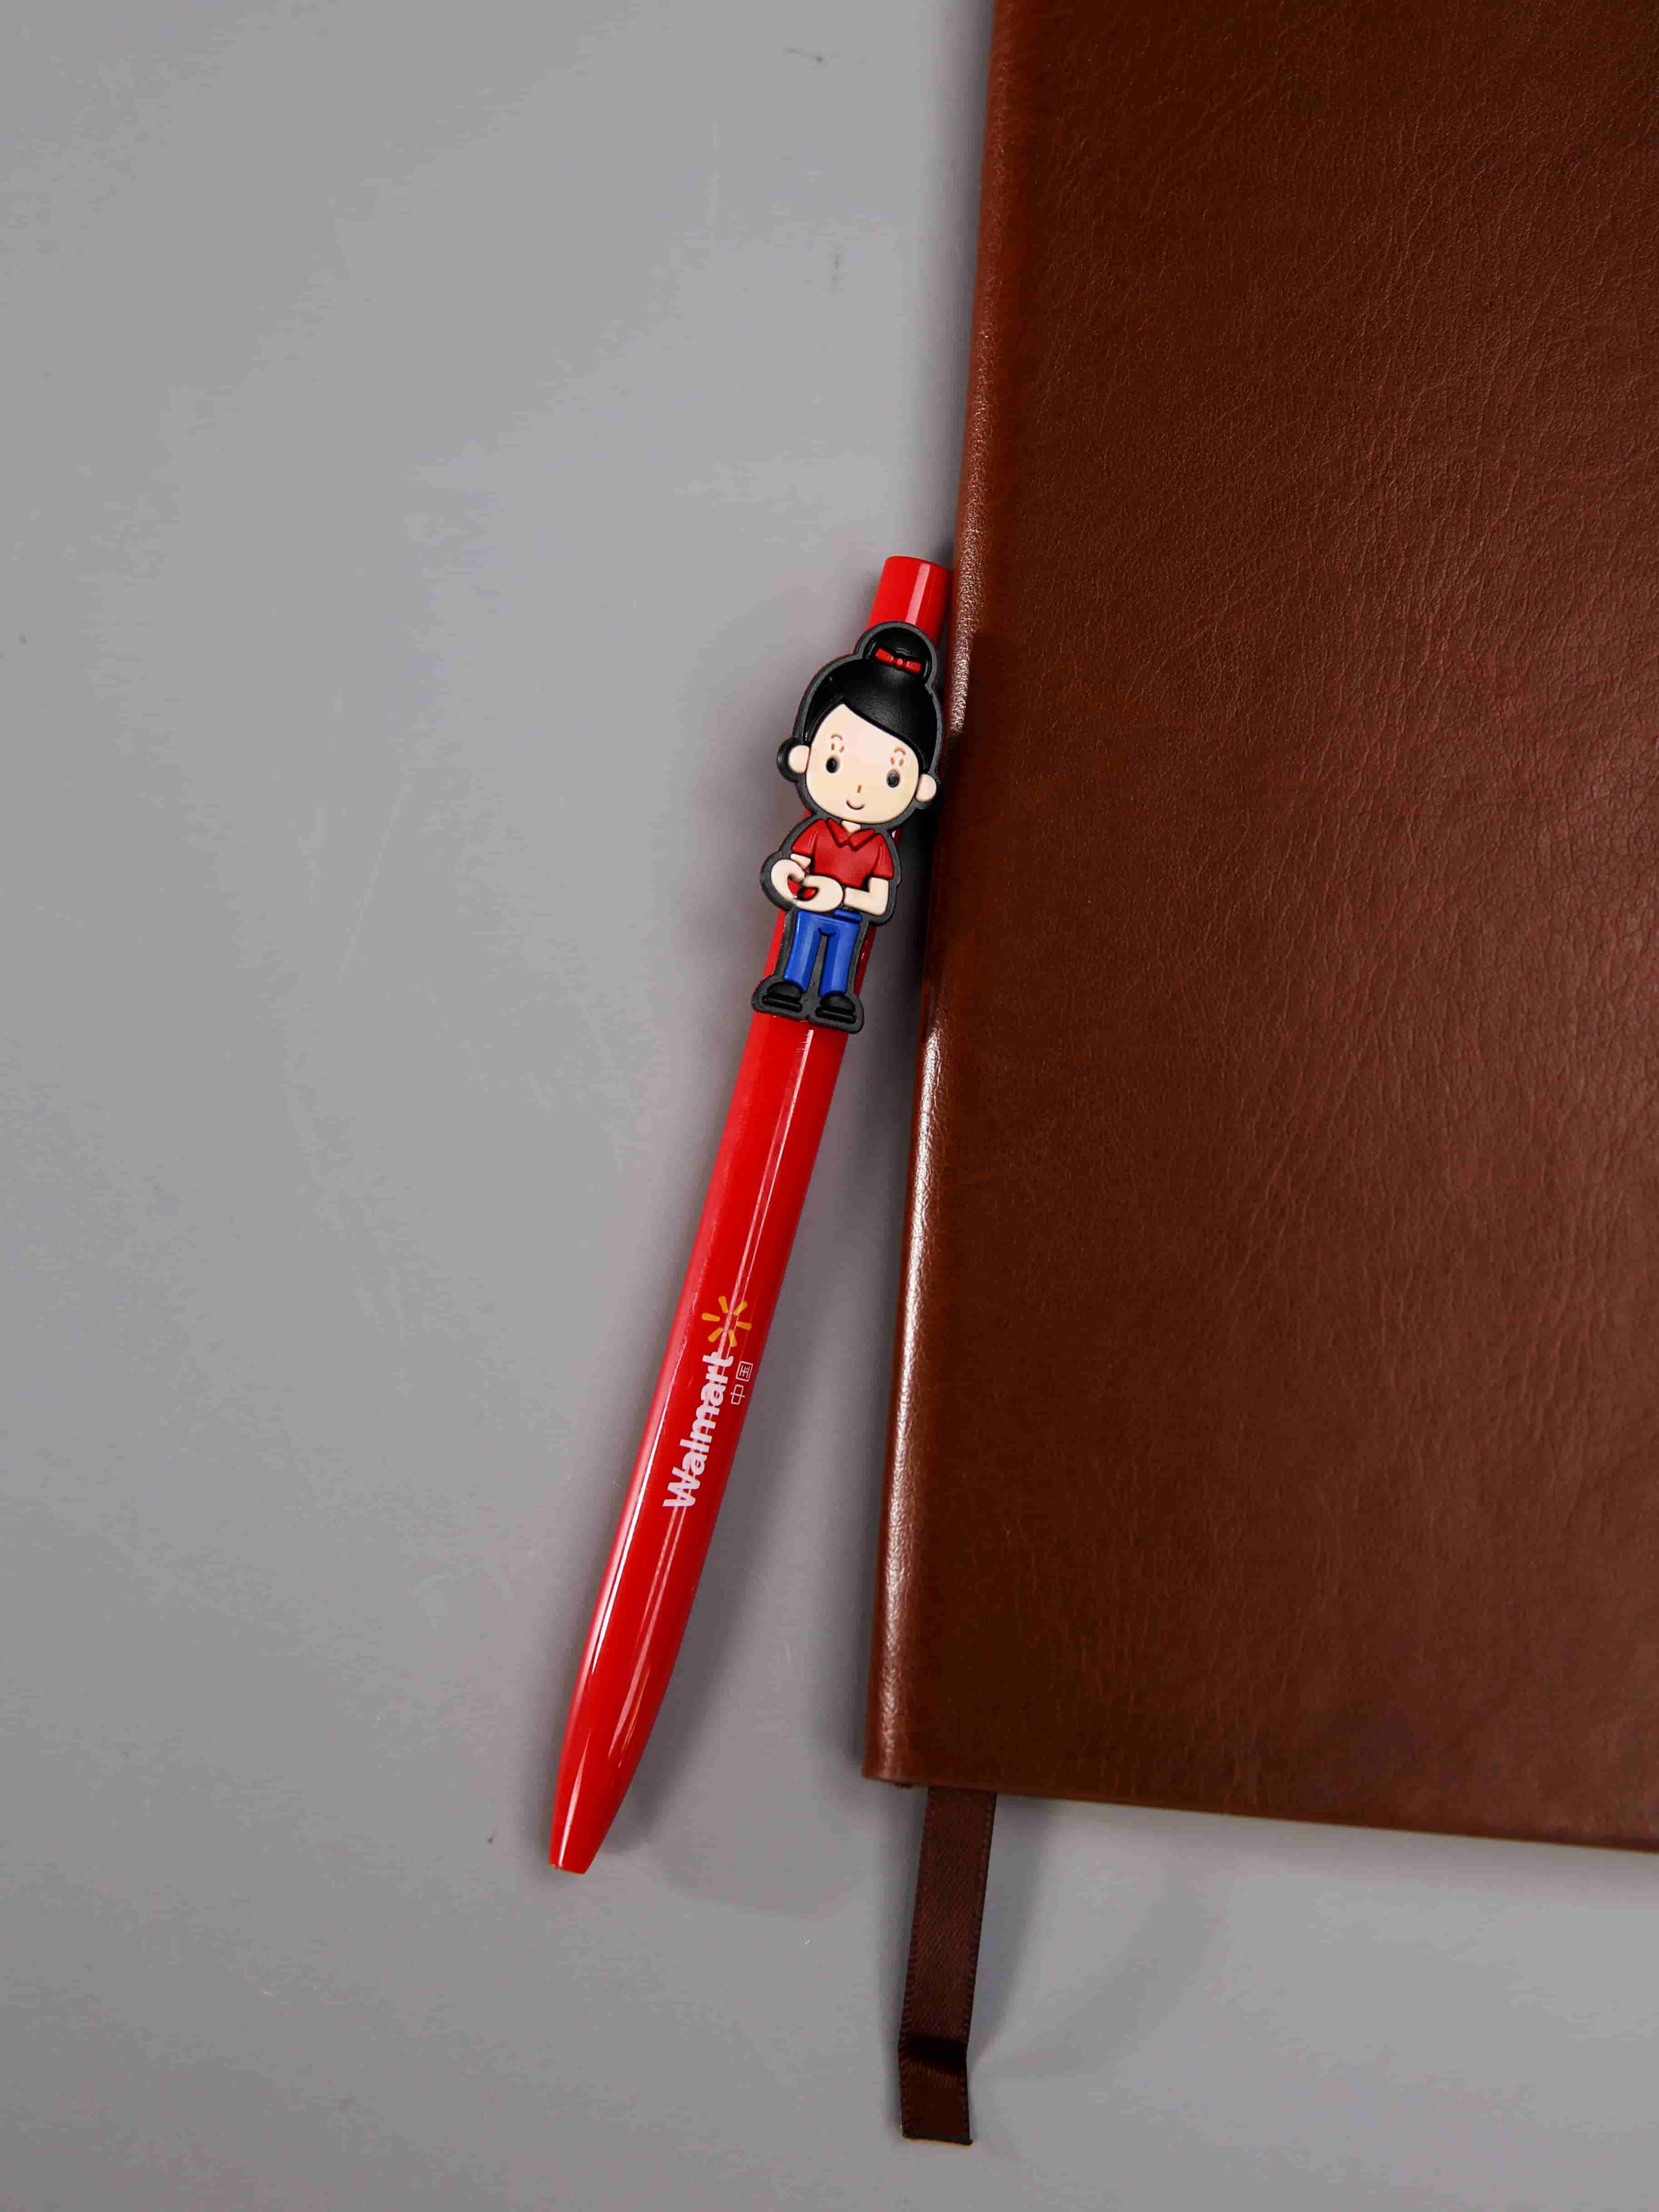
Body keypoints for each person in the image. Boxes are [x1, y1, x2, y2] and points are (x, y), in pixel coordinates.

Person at [751, 620, 941, 1033]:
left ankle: (836, 995)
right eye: (834, 763)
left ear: (921, 789)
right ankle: (791, 984)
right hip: (808, 908)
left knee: (841, 959)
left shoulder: (878, 848)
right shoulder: (816, 833)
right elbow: (794, 867)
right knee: (801, 944)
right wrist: (788, 876)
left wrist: (842, 894)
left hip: (850, 918)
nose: (858, 789)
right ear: (802, 757)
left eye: (892, 778)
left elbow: (879, 901)